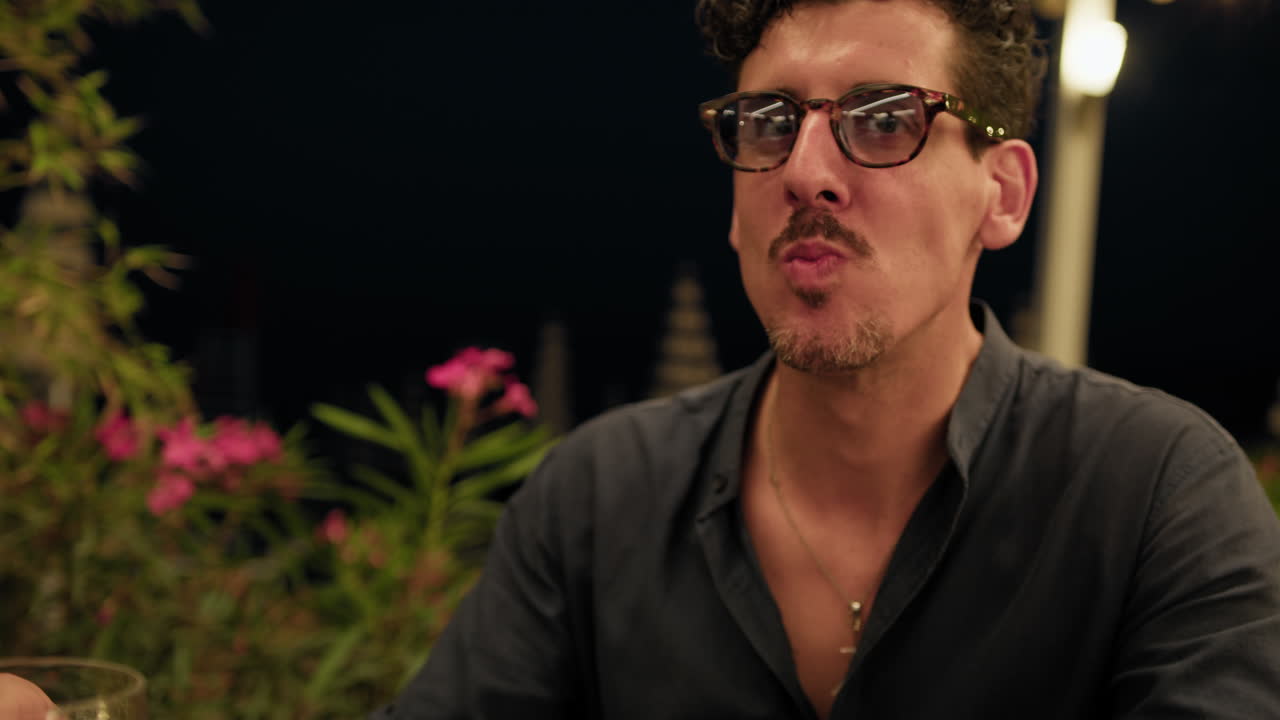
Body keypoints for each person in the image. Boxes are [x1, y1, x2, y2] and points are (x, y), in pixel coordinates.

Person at [371, 0, 1280, 717]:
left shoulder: (1154, 491)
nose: (803, 170)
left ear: (1000, 196)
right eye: (766, 124)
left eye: (884, 119)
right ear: (735, 209)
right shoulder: (600, 497)